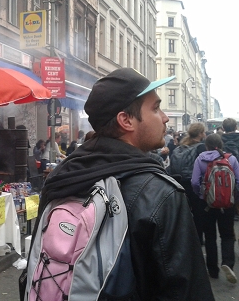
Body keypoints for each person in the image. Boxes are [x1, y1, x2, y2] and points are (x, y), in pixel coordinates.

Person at [31, 68, 213, 300]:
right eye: (155, 108)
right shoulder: (160, 193)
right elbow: (186, 290)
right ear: (126, 120)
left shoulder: (61, 176)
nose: (165, 117)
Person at [191, 133, 238, 283]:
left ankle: (213, 270)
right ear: (221, 144)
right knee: (227, 235)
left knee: (210, 236)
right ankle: (228, 263)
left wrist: (201, 195)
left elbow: (194, 181)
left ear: (206, 145)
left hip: (206, 203)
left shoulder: (201, 158)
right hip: (227, 202)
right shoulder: (231, 159)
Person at [168, 122, 206, 244]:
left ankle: (184, 239)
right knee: (198, 213)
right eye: (203, 132)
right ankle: (198, 239)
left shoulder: (180, 147)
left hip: (180, 183)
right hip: (195, 184)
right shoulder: (201, 147)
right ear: (200, 134)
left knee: (184, 213)